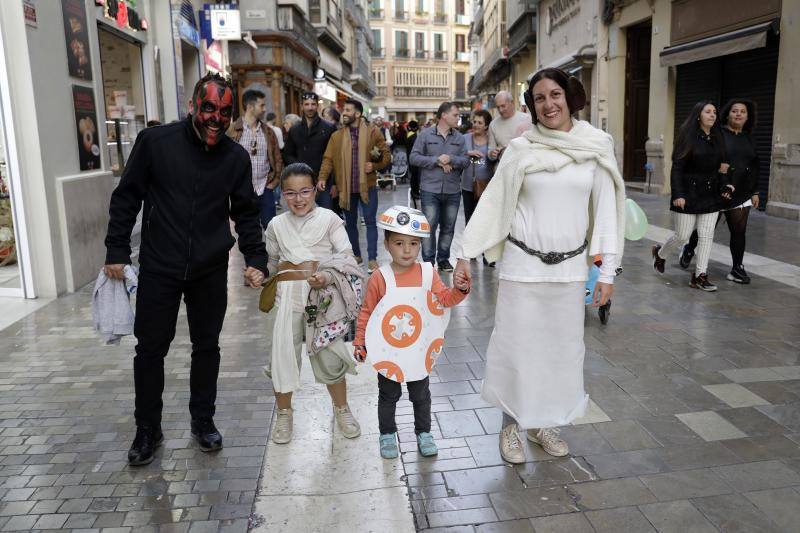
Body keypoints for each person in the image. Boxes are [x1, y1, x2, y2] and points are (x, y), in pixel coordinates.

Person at [453, 68, 626, 463]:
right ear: (532, 107)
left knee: (560, 352)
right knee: (517, 349)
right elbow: (494, 204)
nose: (548, 104)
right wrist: (463, 254)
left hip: (569, 272)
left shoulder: (597, 146)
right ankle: (511, 427)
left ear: (570, 97)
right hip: (521, 267)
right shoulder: (521, 149)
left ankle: (545, 423)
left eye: (555, 95)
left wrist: (609, 273)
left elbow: (607, 215)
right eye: (539, 99)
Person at [104, 72, 267, 466]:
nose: (215, 118)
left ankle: (203, 420)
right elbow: (126, 197)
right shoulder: (155, 144)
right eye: (208, 108)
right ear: (194, 105)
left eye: (224, 112)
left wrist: (256, 259)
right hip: (160, 266)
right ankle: (148, 429)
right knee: (150, 350)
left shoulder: (235, 157)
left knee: (207, 347)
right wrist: (116, 249)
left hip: (210, 269)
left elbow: (246, 213)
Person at [354, 206, 471, 459]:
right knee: (388, 395)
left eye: (413, 243)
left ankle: (424, 432)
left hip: (418, 349)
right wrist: (360, 341)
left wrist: (459, 290)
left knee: (421, 394)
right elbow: (368, 313)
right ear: (386, 244)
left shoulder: (429, 273)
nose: (407, 250)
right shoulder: (379, 277)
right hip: (389, 352)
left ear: (420, 245)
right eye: (399, 243)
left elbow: (443, 300)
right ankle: (387, 434)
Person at [263, 163, 363, 444]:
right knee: (281, 358)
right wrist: (259, 272)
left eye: (305, 191)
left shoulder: (330, 219)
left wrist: (328, 276)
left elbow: (347, 258)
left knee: (331, 357)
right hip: (286, 302)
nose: (298, 199)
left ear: (314, 190)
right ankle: (284, 414)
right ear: (282, 194)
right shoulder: (275, 225)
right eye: (291, 193)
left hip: (323, 302)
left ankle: (342, 408)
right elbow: (271, 263)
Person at [678, 98, 760, 284]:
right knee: (705, 230)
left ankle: (737, 268)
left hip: (740, 193)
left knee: (739, 231)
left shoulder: (749, 138)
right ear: (727, 114)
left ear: (748, 116)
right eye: (734, 111)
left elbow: (755, 166)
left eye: (743, 111)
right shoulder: (718, 133)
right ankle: (690, 248)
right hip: (715, 190)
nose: (738, 114)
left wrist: (755, 191)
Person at [652, 101, 730, 292]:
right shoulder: (687, 137)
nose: (712, 115)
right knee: (682, 235)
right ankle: (660, 254)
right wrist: (678, 193)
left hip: (711, 195)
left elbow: (723, 166)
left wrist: (725, 183)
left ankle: (700, 276)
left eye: (714, 112)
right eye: (708, 112)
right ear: (698, 115)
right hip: (688, 193)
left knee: (706, 236)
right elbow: (677, 167)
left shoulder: (718, 137)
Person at [317, 99, 391, 273]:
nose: (344, 113)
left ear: (357, 114)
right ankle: (356, 255)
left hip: (368, 186)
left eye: (348, 110)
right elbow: (328, 159)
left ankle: (372, 259)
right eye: (344, 110)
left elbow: (386, 156)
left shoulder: (374, 133)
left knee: (371, 222)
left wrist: (374, 166)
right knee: (350, 224)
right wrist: (322, 177)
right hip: (346, 188)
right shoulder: (336, 136)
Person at [409, 102, 469, 272]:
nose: (458, 118)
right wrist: (436, 160)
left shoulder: (459, 138)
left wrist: (449, 158)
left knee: (448, 227)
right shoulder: (426, 135)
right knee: (429, 227)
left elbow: (465, 161)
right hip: (430, 190)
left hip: (452, 191)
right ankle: (428, 262)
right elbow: (414, 157)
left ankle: (443, 259)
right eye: (456, 115)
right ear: (444, 115)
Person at [227, 88, 284, 229]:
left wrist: (273, 183)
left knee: (271, 228)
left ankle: (270, 252)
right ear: (250, 107)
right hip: (242, 191)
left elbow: (278, 159)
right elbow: (224, 161)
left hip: (265, 188)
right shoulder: (232, 130)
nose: (264, 109)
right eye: (262, 105)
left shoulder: (268, 132)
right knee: (246, 229)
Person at [283, 92, 337, 209]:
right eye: (306, 104)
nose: (310, 107)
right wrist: (299, 167)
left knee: (326, 218)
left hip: (324, 182)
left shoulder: (328, 128)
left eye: (313, 104)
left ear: (317, 106)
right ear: (302, 106)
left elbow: (335, 158)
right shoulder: (294, 129)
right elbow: (287, 154)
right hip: (301, 181)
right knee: (303, 215)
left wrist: (334, 184)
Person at [460, 110, 494, 267]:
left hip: (487, 187)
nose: (476, 125)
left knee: (486, 221)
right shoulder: (465, 139)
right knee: (470, 220)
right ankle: (472, 251)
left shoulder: (491, 141)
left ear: (486, 125)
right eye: (474, 122)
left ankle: (488, 255)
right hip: (468, 186)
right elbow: (456, 154)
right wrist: (468, 153)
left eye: (480, 122)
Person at [488, 90, 531, 162]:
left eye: (503, 106)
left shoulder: (527, 119)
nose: (500, 110)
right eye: (498, 107)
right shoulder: (493, 124)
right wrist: (492, 154)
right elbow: (490, 150)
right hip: (503, 166)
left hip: (524, 164)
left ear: (512, 103)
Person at [406, 120, 421, 204]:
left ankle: (414, 192)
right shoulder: (413, 136)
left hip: (410, 158)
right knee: (415, 177)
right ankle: (415, 192)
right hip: (415, 159)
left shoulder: (409, 134)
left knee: (413, 176)